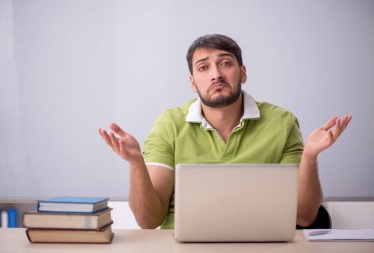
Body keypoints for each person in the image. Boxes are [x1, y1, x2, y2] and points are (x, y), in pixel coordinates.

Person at [99, 34, 352, 229]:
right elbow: (149, 221)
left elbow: (305, 216)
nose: (216, 74)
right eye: (203, 67)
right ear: (192, 82)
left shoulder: (282, 122)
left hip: (263, 246)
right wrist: (135, 164)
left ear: (242, 73)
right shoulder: (169, 123)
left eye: (225, 63)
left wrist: (309, 157)